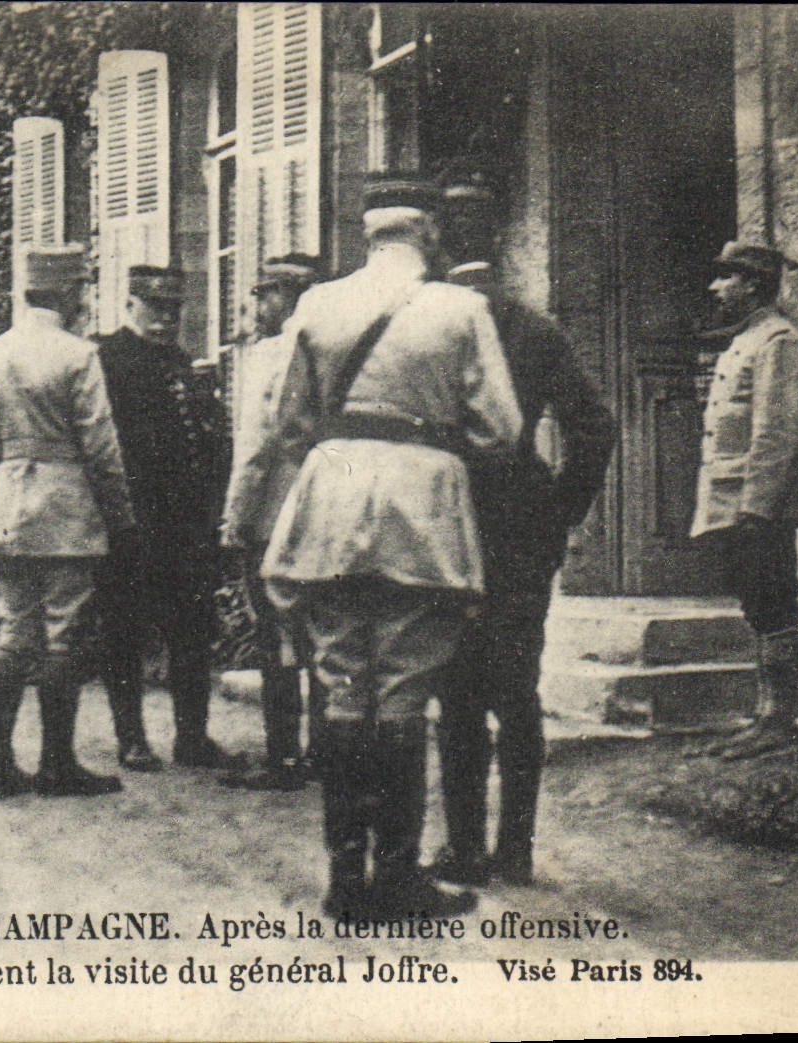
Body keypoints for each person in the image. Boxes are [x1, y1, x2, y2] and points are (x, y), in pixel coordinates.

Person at [259, 184, 521, 918]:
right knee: (405, 685)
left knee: (342, 680)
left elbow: (287, 424)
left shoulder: (316, 305)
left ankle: (346, 879)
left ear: (369, 233)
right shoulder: (459, 308)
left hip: (332, 497)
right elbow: (499, 429)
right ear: (429, 233)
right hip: (420, 507)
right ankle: (398, 874)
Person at [431, 177, 617, 887]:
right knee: (516, 692)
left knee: (457, 695)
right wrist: (558, 507)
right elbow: (594, 424)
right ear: (499, 242)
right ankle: (514, 850)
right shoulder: (534, 328)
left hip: (446, 527)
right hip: (519, 530)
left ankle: (463, 851)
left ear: (442, 241)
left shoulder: (426, 324)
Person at [0, 243, 136, 798]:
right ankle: (58, 765)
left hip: (8, 503)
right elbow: (101, 444)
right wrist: (119, 514)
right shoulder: (76, 353)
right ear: (68, 293)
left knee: (14, 632)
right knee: (64, 633)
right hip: (64, 506)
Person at [93, 264, 236, 772]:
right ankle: (131, 737)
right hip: (132, 521)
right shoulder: (106, 359)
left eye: (173, 310)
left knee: (192, 630)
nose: (164, 319)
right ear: (130, 305)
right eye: (154, 309)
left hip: (185, 524)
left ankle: (191, 737)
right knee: (125, 631)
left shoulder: (180, 364)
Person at [692, 241, 798, 761]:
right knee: (758, 605)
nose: (716, 287)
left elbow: (776, 432)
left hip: (758, 504)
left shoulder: (779, 341)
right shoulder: (748, 338)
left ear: (754, 286)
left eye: (727, 279)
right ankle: (766, 717)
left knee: (774, 603)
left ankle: (779, 723)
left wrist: (756, 508)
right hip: (735, 499)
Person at [220, 254, 326, 791]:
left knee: (276, 638)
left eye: (264, 293)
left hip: (275, 518)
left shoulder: (271, 356)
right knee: (321, 638)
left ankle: (282, 757)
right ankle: (323, 753)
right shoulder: (336, 344)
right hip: (327, 513)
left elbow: (256, 447)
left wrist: (235, 517)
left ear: (289, 296)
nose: (256, 304)